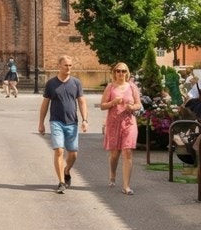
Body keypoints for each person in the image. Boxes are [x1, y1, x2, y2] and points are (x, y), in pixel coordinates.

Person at [38, 55, 89, 195]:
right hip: (56, 121)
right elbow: (45, 105)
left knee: (73, 154)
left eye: (70, 65)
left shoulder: (76, 83)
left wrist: (85, 120)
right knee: (59, 150)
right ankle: (61, 182)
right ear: (59, 66)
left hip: (72, 122)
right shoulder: (51, 84)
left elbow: (82, 102)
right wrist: (41, 123)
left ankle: (66, 171)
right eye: (66, 65)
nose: (68, 68)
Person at [98, 62, 139, 194]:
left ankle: (126, 186)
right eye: (118, 71)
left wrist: (132, 107)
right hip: (114, 123)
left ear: (127, 73)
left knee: (127, 152)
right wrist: (113, 102)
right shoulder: (110, 87)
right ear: (114, 73)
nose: (121, 73)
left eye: (123, 71)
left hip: (129, 122)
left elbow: (139, 104)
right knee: (115, 154)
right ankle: (113, 174)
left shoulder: (132, 86)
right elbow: (102, 105)